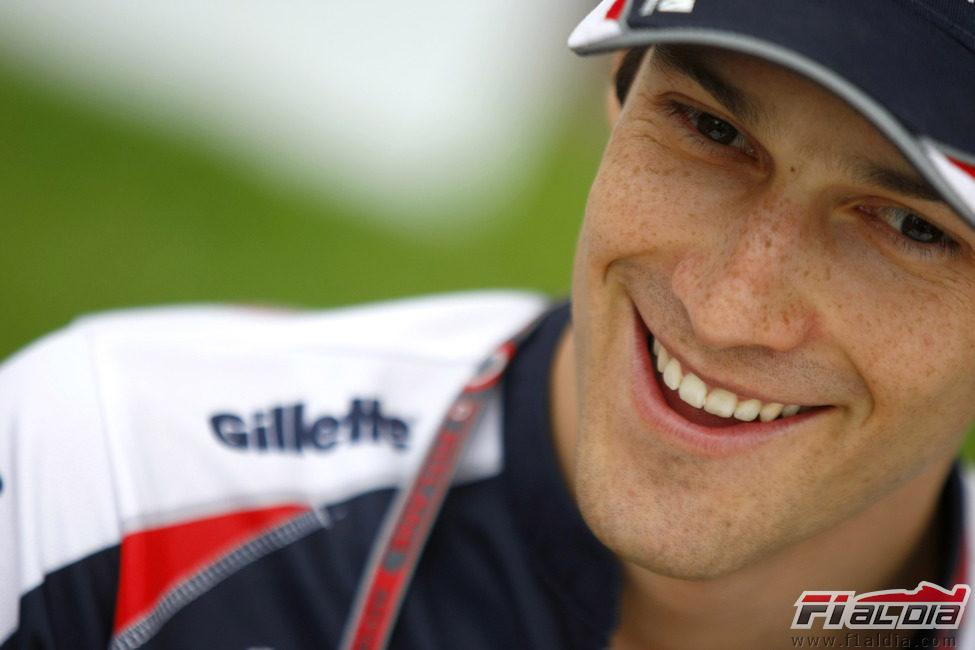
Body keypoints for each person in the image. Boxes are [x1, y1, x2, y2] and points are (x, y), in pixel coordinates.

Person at [2, 1, 975, 648]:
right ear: (619, 88)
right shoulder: (109, 478)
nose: (726, 310)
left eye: (909, 227)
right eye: (711, 129)